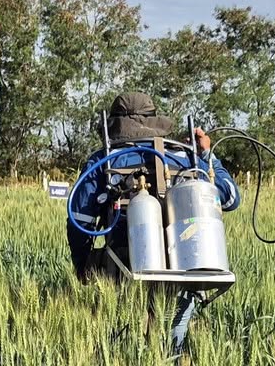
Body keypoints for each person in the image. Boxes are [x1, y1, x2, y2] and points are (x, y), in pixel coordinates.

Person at [66, 92, 214, 283]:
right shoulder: (186, 158)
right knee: (179, 308)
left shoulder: (103, 159)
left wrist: (82, 266)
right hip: (188, 265)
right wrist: (208, 155)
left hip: (123, 269)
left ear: (114, 124)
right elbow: (229, 198)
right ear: (154, 120)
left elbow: (79, 222)